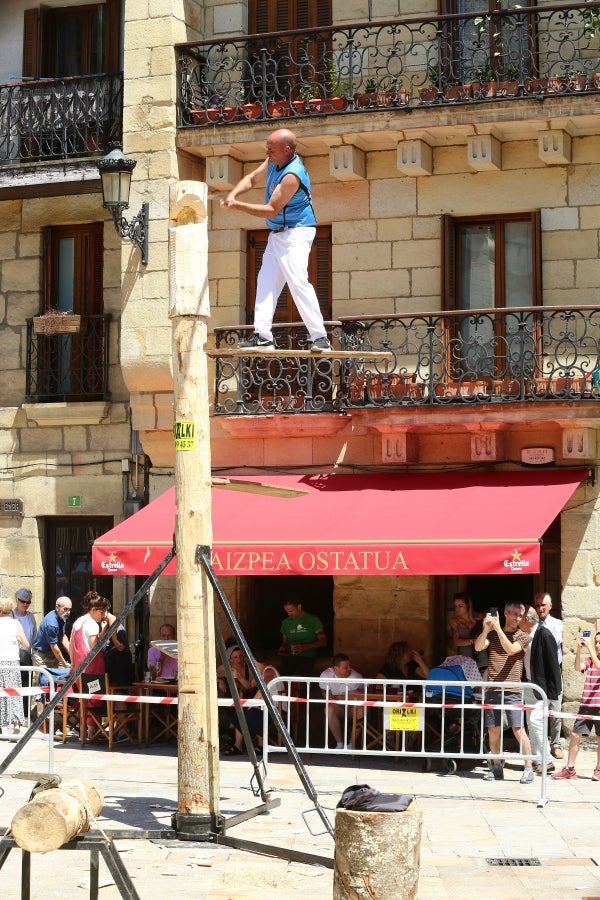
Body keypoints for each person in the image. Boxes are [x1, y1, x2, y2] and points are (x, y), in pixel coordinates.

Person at [220, 127, 332, 353]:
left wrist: (237, 206)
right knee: (266, 282)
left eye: (271, 148)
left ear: (287, 149)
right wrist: (233, 194)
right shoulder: (273, 161)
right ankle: (263, 337)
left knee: (298, 281)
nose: (267, 151)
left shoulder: (292, 175)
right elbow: (252, 179)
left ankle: (320, 338)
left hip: (297, 233)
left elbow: (271, 209)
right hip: (278, 234)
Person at [474, 602, 534, 783]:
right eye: (514, 614)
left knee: (518, 729)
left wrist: (498, 630)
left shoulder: (524, 635)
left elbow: (511, 650)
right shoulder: (492, 632)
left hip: (512, 690)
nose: (517, 618)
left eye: (520, 615)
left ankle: (529, 768)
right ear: (506, 613)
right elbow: (477, 647)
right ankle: (497, 766)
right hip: (493, 688)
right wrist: (486, 629)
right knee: (493, 730)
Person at [552, 630, 600, 781]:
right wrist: (579, 649)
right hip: (586, 704)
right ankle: (570, 769)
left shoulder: (595, 660)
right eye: (596, 642)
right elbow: (578, 667)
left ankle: (599, 769)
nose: (597, 645)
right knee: (574, 735)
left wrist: (590, 648)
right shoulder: (590, 659)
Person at [520, 606, 562, 774]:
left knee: (537, 720)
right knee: (531, 723)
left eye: (520, 617)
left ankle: (547, 760)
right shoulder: (527, 635)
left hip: (541, 688)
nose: (518, 621)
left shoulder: (544, 634)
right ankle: (538, 760)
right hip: (530, 684)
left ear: (527, 620)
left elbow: (553, 664)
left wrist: (552, 692)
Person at [70, 593, 111, 741]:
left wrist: (73, 664)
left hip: (80, 667)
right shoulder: (92, 624)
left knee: (84, 700)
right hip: (93, 668)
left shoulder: (77, 622)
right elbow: (95, 646)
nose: (103, 615)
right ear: (93, 610)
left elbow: (70, 645)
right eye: (101, 612)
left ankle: (83, 732)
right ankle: (91, 732)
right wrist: (105, 630)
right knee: (94, 698)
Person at [227, 649, 283, 756]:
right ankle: (237, 745)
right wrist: (239, 677)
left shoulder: (269, 671)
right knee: (241, 711)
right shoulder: (260, 673)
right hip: (262, 707)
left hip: (275, 708)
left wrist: (251, 704)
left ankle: (261, 745)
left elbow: (262, 688)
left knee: (250, 713)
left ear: (254, 661)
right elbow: (248, 686)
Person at [533, 592, 564, 759]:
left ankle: (556, 743)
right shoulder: (532, 624)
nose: (540, 608)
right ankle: (541, 744)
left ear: (550, 606)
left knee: (555, 709)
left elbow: (555, 642)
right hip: (537, 673)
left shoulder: (557, 624)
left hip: (552, 671)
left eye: (543, 605)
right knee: (537, 711)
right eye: (537, 605)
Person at [319, 653, 363, 749]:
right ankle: (339, 744)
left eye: (349, 666)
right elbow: (326, 696)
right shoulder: (325, 675)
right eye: (345, 667)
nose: (349, 669)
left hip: (353, 707)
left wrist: (338, 697)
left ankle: (351, 745)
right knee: (329, 709)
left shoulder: (356, 677)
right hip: (338, 707)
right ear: (335, 668)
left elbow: (362, 697)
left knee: (360, 710)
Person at [0, 596, 29, 734]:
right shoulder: (16, 624)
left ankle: (1, 724)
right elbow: (26, 644)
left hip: (0, 662)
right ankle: (16, 723)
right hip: (12, 662)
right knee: (15, 692)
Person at [278, 600, 327, 677]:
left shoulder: (313, 620)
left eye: (291, 611)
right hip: (289, 657)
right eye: (287, 612)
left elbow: (323, 642)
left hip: (307, 657)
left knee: (297, 680)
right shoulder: (285, 622)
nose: (289, 614)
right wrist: (282, 648)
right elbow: (285, 641)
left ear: (299, 607)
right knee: (280, 679)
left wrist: (303, 647)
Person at [31, 596, 72, 674]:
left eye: (69, 609)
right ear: (57, 607)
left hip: (52, 654)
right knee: (42, 681)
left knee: (56, 681)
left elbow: (63, 637)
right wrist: (65, 664)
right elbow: (54, 647)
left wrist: (72, 656)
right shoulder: (52, 624)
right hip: (42, 656)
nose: (68, 612)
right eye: (65, 609)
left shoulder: (62, 617)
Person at [11, 588, 37, 687]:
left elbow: (34, 635)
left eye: (28, 602)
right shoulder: (10, 615)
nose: (25, 604)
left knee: (26, 684)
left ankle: (26, 703)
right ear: (16, 600)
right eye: (23, 601)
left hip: (27, 656)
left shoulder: (31, 616)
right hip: (14, 657)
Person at [449, 592, 480, 657]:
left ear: (468, 605)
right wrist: (473, 641)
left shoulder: (478, 616)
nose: (457, 609)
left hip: (481, 659)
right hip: (464, 659)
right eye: (455, 606)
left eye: (460, 606)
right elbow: (456, 642)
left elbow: (493, 612)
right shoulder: (455, 621)